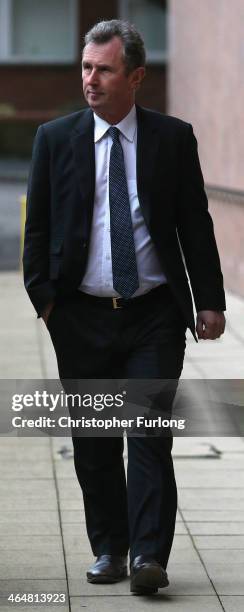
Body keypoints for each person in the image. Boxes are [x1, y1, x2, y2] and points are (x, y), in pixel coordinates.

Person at [23, 19, 226, 595]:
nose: (90, 79)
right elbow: (36, 231)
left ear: (135, 76)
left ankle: (147, 558)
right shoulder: (55, 139)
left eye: (104, 69)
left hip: (154, 316)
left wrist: (208, 301)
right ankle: (108, 549)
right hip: (80, 317)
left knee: (147, 433)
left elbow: (195, 224)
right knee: (94, 440)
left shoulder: (172, 138)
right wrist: (47, 303)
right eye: (86, 67)